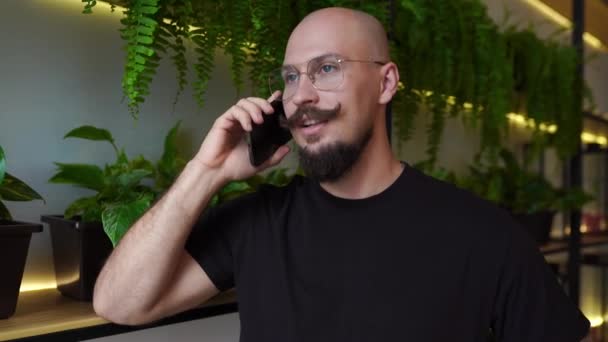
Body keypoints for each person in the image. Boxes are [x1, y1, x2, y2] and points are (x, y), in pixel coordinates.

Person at [93, 7, 591, 341]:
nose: (301, 94)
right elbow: (118, 304)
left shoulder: (485, 236)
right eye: (291, 76)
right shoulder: (257, 223)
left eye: (327, 68)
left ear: (386, 82)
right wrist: (207, 172)